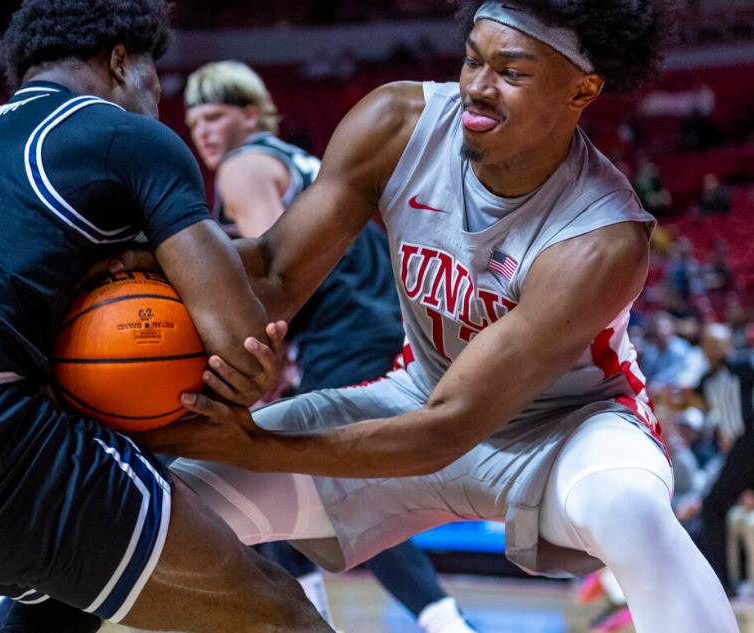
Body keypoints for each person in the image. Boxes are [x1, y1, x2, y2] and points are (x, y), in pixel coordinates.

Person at [122, 2, 740, 632]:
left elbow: (447, 431)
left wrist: (258, 445)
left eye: (511, 72)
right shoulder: (397, 122)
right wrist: (132, 260)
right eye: (473, 59)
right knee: (144, 507)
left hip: (567, 431)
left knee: (629, 507)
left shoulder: (602, 237)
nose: (477, 84)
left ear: (582, 89)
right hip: (418, 394)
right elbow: (274, 275)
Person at [0, 2, 331, 632]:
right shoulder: (124, 137)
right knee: (279, 614)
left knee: (66, 606)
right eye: (154, 74)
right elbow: (242, 344)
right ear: (122, 60)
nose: (157, 95)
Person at [184, 59, 475, 633]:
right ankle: (324, 615)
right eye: (195, 123)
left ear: (250, 114)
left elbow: (278, 283)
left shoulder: (244, 169)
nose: (205, 134)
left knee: (321, 488)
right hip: (393, 327)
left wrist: (252, 368)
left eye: (216, 117)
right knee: (295, 490)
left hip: (348, 337)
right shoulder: (302, 162)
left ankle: (443, 622)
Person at [696, 323, 754, 595]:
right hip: (736, 453)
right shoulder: (707, 379)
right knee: (712, 508)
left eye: (717, 343)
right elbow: (691, 397)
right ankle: (724, 582)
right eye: (708, 344)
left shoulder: (743, 366)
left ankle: (724, 583)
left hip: (748, 445)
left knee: (712, 506)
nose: (712, 349)